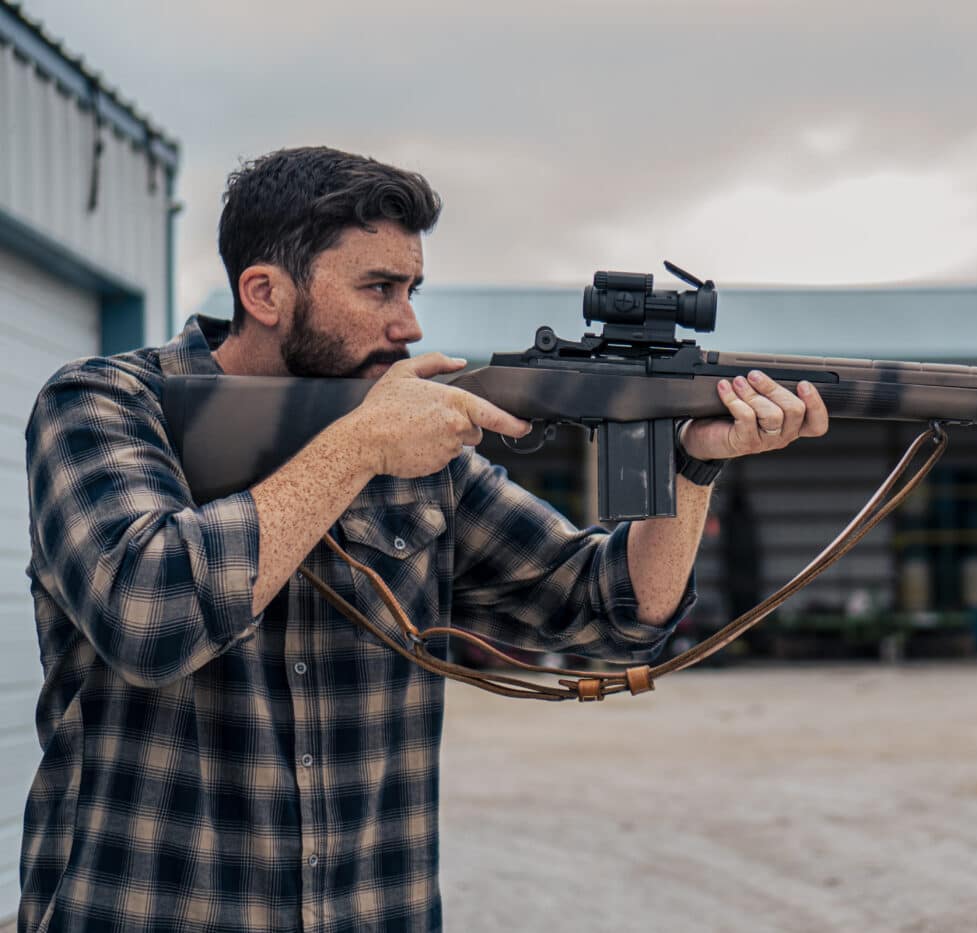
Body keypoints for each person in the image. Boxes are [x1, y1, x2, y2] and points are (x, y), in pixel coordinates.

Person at [20, 146, 829, 932]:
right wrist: (357, 448)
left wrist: (688, 467)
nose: (408, 323)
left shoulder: (417, 440)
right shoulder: (104, 406)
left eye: (411, 287)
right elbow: (150, 615)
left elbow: (610, 614)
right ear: (264, 293)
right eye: (378, 288)